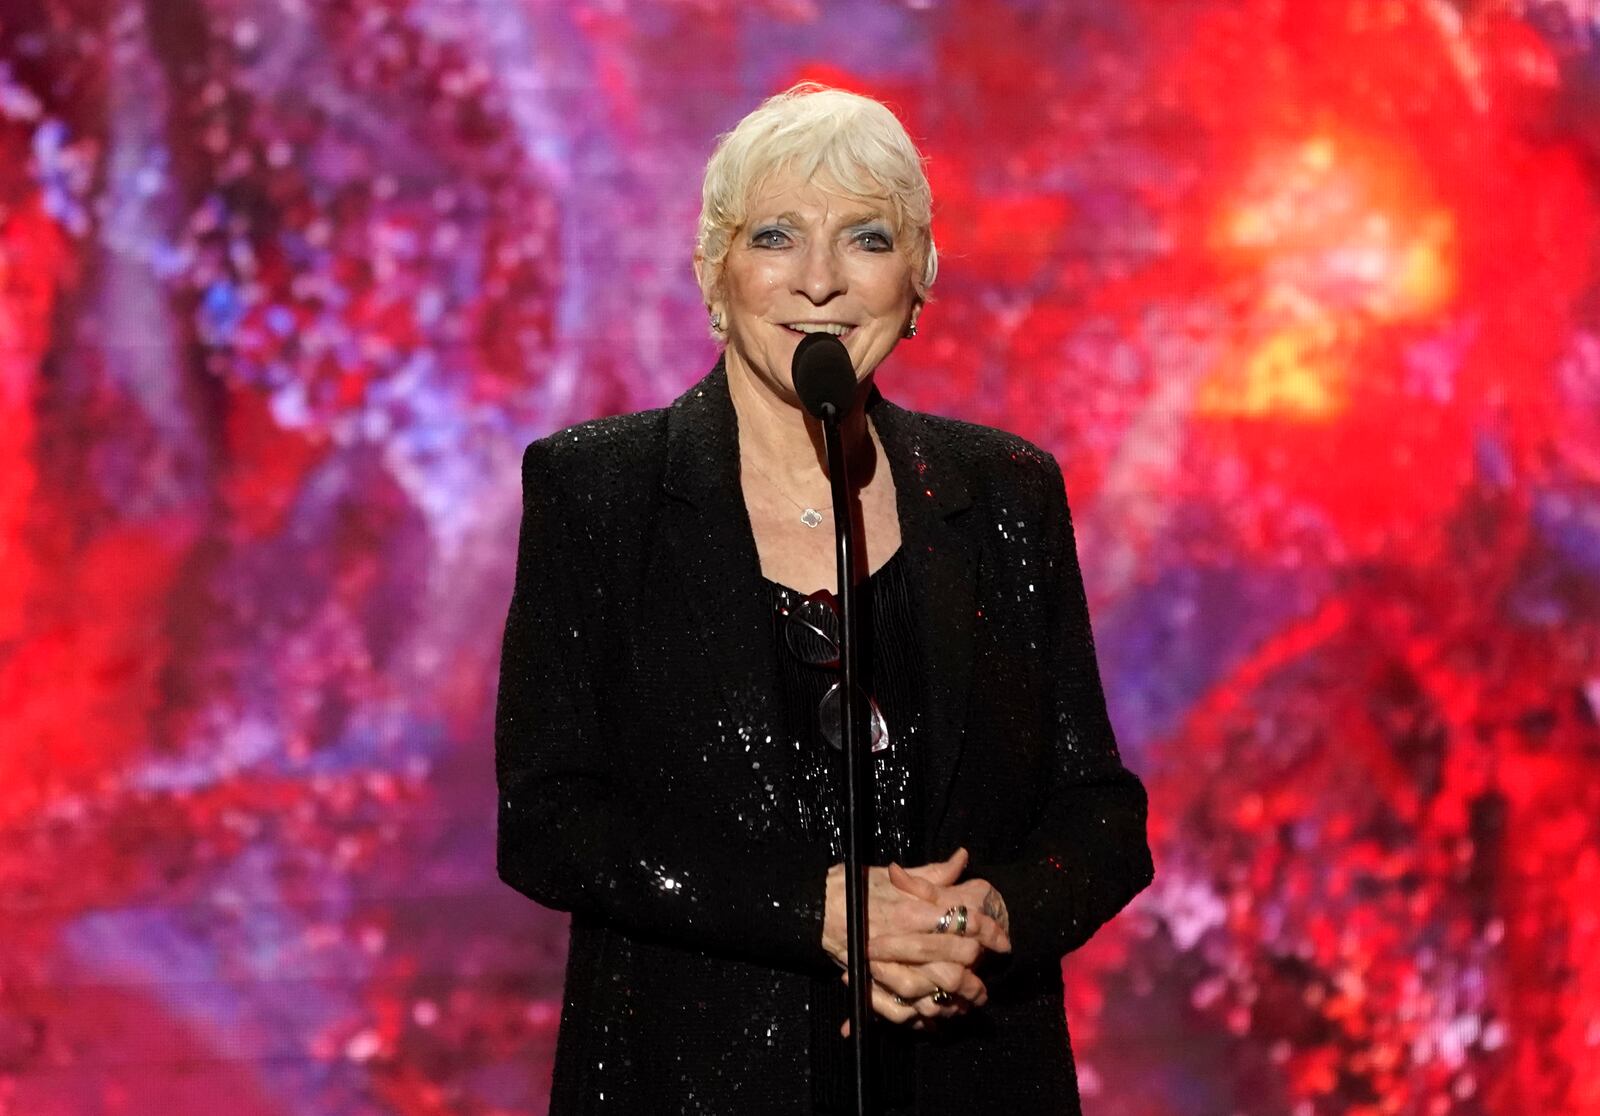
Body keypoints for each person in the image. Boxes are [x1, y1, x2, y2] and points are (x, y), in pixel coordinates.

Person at [495, 83, 1154, 1114]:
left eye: (865, 238)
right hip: (692, 1075)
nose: (819, 283)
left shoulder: (1005, 493)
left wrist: (984, 920)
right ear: (715, 275)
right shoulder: (599, 491)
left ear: (919, 279)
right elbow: (548, 819)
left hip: (967, 1073)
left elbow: (1098, 813)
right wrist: (819, 909)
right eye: (773, 236)